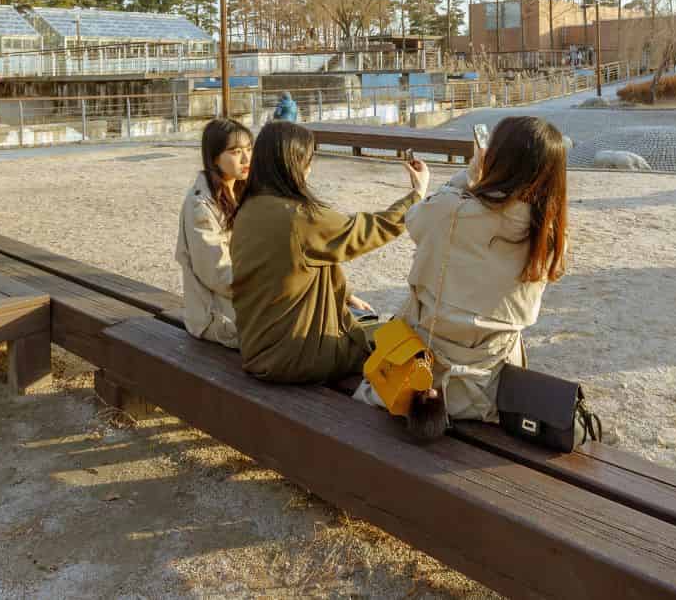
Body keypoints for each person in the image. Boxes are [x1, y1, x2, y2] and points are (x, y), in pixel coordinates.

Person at [363, 116, 569, 423]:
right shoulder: (549, 237)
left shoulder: (451, 210)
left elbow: (416, 220)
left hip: (418, 377)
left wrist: (468, 176)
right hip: (489, 391)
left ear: (494, 157)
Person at [228, 120, 428, 383]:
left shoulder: (248, 209)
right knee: (408, 342)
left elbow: (302, 263)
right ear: (296, 164)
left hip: (257, 348)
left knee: (366, 320)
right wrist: (417, 194)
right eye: (309, 160)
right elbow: (369, 229)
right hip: (296, 355)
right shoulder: (299, 217)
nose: (310, 168)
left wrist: (346, 296)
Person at [175, 118, 253, 348]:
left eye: (249, 149)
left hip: (239, 301)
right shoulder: (200, 204)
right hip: (215, 315)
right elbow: (218, 273)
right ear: (215, 157)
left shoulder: (243, 191)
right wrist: (267, 288)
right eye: (236, 152)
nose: (246, 158)